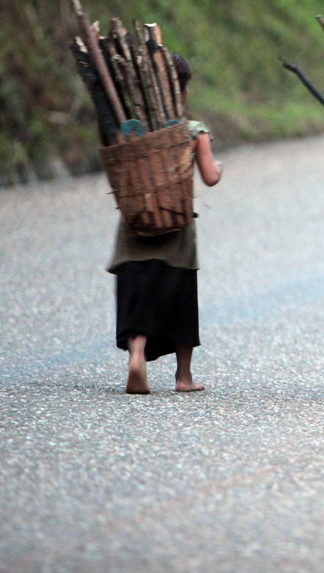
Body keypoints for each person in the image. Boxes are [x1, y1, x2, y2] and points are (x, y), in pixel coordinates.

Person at [108, 54, 222, 395]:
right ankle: (183, 377)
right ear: (182, 91)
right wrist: (220, 166)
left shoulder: (128, 130)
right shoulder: (192, 132)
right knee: (179, 300)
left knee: (138, 296)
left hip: (134, 229)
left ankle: (137, 355)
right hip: (176, 233)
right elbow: (211, 177)